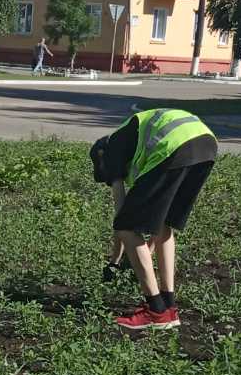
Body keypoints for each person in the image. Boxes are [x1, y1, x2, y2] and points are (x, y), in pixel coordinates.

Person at [91, 108, 219, 332]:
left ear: (100, 158)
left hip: (174, 146)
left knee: (127, 227)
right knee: (163, 226)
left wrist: (115, 260)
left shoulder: (109, 151)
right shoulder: (129, 135)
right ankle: (169, 306)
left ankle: (156, 312)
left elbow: (121, 217)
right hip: (205, 144)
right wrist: (141, 253)